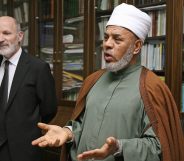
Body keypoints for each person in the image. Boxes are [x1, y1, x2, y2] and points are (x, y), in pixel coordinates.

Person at [32, 3, 184, 161]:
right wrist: (68, 133)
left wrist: (120, 147)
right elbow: (82, 127)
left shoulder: (152, 87)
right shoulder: (93, 80)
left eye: (117, 39)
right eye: (106, 37)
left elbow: (159, 147)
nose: (107, 44)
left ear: (137, 46)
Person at [0, 16, 57, 161]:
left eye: (6, 33)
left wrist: (27, 128)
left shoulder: (38, 68)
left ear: (20, 36)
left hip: (24, 149)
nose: (1, 39)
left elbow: (49, 109)